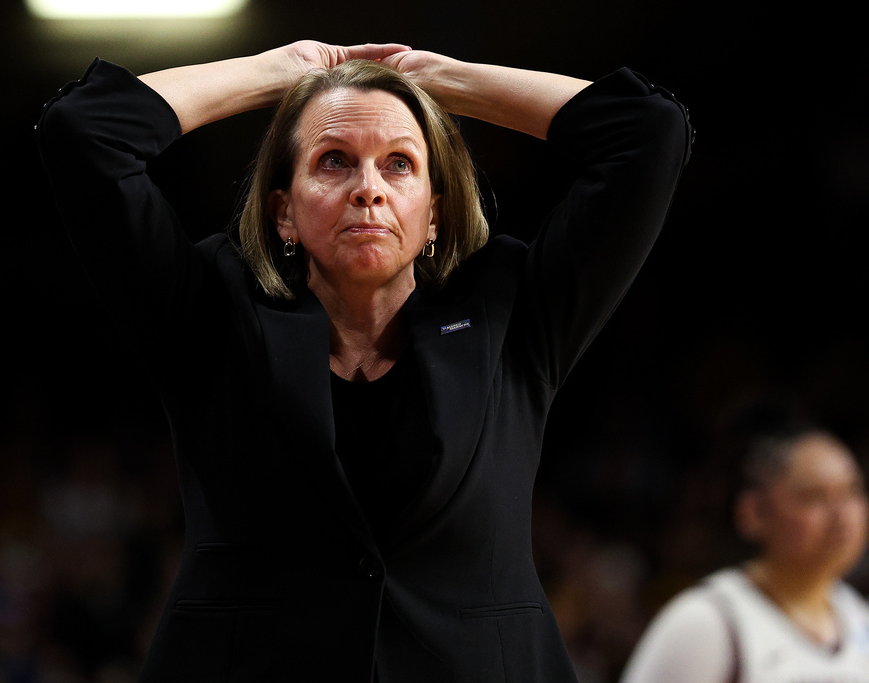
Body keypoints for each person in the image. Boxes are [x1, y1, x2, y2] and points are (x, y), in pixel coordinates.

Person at [37, 40, 692, 682]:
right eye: (333, 160)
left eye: (400, 164)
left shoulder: (513, 309)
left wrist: (444, 79)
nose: (369, 189)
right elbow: (84, 131)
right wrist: (279, 73)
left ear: (434, 214)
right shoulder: (210, 312)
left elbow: (648, 133)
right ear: (283, 211)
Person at [620, 416, 869, 682]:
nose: (843, 516)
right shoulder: (707, 622)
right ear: (754, 514)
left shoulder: (859, 617)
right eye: (814, 497)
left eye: (852, 492)